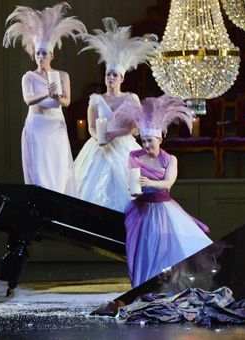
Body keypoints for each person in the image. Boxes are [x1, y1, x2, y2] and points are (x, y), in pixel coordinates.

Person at [115, 95, 213, 287]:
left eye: (150, 140)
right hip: (141, 209)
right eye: (143, 141)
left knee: (169, 248)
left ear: (160, 138)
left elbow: (168, 183)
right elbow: (132, 181)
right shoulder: (134, 156)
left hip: (163, 208)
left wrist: (150, 181)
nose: (146, 145)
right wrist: (134, 189)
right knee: (145, 250)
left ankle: (171, 284)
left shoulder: (170, 159)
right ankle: (144, 285)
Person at [73, 17, 160, 212]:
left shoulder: (131, 98)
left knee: (127, 184)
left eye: (114, 75)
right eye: (107, 75)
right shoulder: (95, 99)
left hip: (123, 144)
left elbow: (135, 125)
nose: (110, 78)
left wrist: (116, 134)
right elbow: (92, 126)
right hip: (100, 147)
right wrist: (99, 138)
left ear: (121, 77)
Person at [3, 2, 86, 196]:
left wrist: (57, 96)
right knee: (41, 169)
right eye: (38, 53)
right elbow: (28, 99)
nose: (40, 57)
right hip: (37, 126)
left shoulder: (62, 75)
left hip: (56, 126)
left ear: (52, 55)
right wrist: (46, 93)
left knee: (59, 168)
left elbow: (66, 102)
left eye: (44, 54)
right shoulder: (28, 77)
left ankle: (61, 202)